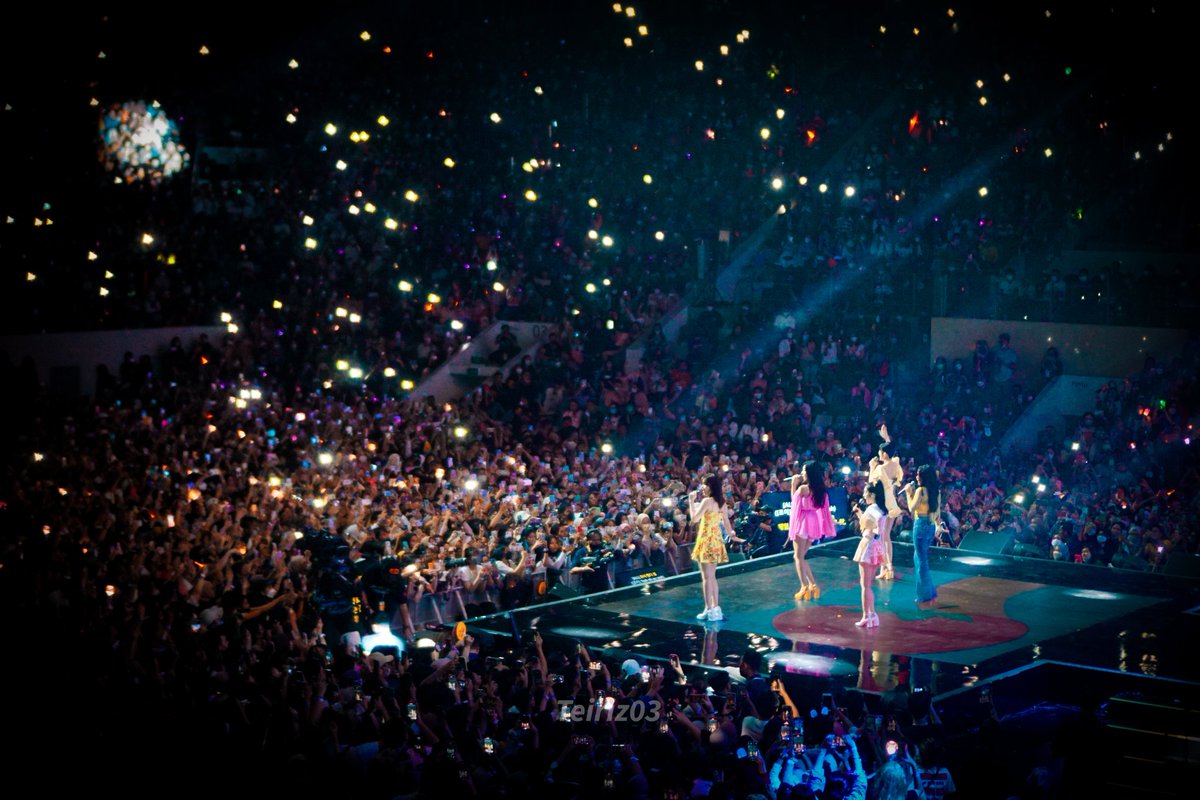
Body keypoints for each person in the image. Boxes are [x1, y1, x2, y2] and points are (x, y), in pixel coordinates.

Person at [788, 461, 836, 600]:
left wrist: (793, 485)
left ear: (809, 473)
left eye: (803, 470)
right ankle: (813, 585)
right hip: (814, 523)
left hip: (803, 521)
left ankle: (804, 587)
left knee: (797, 556)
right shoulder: (821, 490)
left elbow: (794, 503)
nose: (802, 473)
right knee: (802, 556)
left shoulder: (803, 489)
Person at [688, 474, 731, 621]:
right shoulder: (722, 503)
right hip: (716, 540)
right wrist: (731, 533)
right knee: (712, 577)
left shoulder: (706, 501)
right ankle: (715, 607)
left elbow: (694, 519)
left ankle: (709, 609)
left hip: (706, 540)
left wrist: (690, 501)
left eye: (704, 485)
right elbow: (726, 522)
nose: (702, 488)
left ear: (711, 486)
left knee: (706, 578)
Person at [903, 465, 941, 606]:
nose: (917, 477)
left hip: (920, 525)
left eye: (919, 475)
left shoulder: (920, 491)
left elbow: (911, 508)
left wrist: (908, 493)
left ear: (924, 477)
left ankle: (924, 596)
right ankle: (930, 591)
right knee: (919, 558)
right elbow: (937, 511)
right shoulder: (936, 492)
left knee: (922, 561)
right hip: (930, 525)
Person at [868, 437, 903, 581]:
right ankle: (887, 568)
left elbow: (871, 484)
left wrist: (872, 467)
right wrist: (887, 438)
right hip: (892, 504)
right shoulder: (895, 464)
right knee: (886, 537)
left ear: (884, 454)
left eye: (880, 451)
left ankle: (887, 568)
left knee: (882, 538)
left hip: (883, 505)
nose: (878, 452)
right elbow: (894, 455)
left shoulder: (880, 468)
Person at [852, 480, 886, 628]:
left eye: (866, 493)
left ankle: (867, 616)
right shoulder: (880, 510)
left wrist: (859, 513)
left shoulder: (871, 510)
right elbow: (871, 527)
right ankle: (873, 615)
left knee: (865, 586)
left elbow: (865, 528)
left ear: (872, 494)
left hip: (868, 546)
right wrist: (860, 513)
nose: (864, 495)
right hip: (877, 547)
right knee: (868, 585)